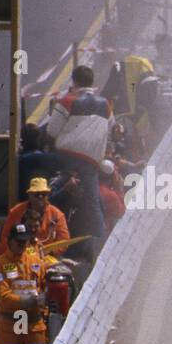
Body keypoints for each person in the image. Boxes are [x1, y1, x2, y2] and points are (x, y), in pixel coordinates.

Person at [43, 65, 115, 260]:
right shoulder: (106, 105)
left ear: (73, 82)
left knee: (33, 162)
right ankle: (99, 238)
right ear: (92, 83)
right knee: (93, 200)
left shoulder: (67, 101)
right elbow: (111, 125)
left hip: (65, 157)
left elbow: (52, 131)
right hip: (91, 161)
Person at [3, 178, 70, 249]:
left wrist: (49, 252)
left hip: (46, 255)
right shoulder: (15, 211)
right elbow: (5, 237)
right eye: (36, 194)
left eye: (44, 194)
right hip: (19, 254)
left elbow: (64, 241)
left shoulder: (57, 215)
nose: (40, 197)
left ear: (48, 196)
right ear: (29, 195)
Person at [16, 124, 61, 199]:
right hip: (43, 199)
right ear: (38, 139)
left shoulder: (19, 159)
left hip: (23, 198)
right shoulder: (46, 158)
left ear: (22, 140)